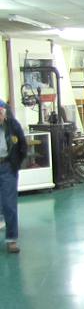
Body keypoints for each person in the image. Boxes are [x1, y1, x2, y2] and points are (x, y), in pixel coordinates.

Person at [0, 99, 28, 253]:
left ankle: (11, 240)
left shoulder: (12, 125)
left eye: (0, 112)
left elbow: (23, 145)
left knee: (9, 205)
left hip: (7, 168)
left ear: (4, 112)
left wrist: (15, 163)